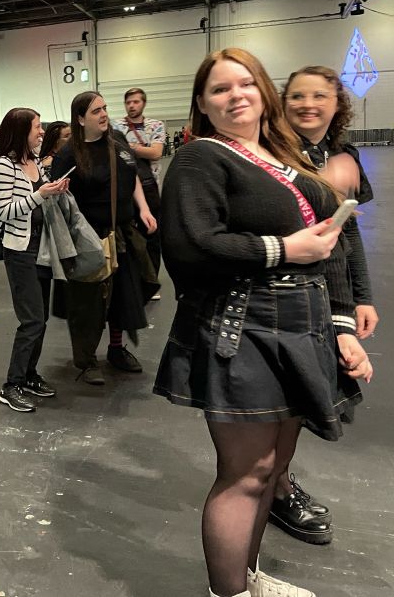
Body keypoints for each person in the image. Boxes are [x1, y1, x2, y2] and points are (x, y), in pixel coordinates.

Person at [153, 48, 372, 597]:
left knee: (273, 468)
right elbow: (190, 246)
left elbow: (332, 244)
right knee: (245, 474)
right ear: (203, 103)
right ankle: (228, 593)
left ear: (263, 91)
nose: (236, 95)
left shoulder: (284, 156)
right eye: (220, 88)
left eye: (246, 83)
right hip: (243, 325)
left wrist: (342, 325)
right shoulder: (201, 157)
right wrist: (282, 249)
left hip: (302, 323)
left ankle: (248, 580)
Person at [271, 64, 380, 546]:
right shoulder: (271, 155)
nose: (308, 104)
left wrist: (361, 298)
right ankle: (271, 488)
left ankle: (277, 484)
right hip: (280, 296)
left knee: (298, 402)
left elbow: (347, 234)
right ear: (283, 103)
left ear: (338, 105)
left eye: (320, 95)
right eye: (297, 96)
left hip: (324, 296)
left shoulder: (342, 157)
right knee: (277, 402)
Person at [50, 92, 158, 385]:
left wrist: (143, 208)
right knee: (88, 304)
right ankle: (86, 360)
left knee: (123, 297)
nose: (104, 114)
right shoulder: (69, 155)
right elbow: (59, 202)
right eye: (96, 110)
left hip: (121, 234)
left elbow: (132, 176)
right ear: (80, 119)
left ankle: (116, 348)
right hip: (88, 241)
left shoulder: (117, 140)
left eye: (105, 108)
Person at [0, 108, 70, 412]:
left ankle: (28, 374)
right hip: (20, 251)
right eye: (37, 127)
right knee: (32, 319)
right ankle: (11, 384)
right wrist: (40, 194)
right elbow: (5, 212)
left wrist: (55, 190)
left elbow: (41, 198)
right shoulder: (4, 166)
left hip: (42, 248)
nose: (42, 132)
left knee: (41, 318)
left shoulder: (35, 161)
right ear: (21, 130)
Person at [112, 88, 166, 280]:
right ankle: (134, 280)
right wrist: (142, 149)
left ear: (143, 103)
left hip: (149, 185)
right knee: (127, 234)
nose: (132, 106)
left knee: (151, 233)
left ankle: (152, 279)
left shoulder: (156, 125)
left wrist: (128, 148)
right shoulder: (116, 126)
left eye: (136, 102)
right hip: (124, 187)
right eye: (128, 102)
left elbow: (156, 153)